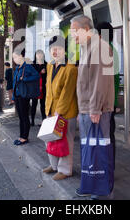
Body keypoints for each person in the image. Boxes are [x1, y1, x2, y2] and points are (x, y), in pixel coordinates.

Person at [71, 15, 115, 199]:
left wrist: (95, 109)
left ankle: (100, 191)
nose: (72, 35)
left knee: (98, 150)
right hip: (87, 108)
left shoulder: (100, 47)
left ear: (87, 30)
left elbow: (100, 81)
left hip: (94, 110)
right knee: (90, 149)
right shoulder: (88, 47)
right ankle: (90, 186)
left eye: (75, 31)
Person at [42, 36, 78, 181]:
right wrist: (48, 109)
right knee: (50, 139)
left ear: (64, 50)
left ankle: (65, 170)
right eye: (52, 49)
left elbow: (67, 93)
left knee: (66, 141)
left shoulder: (71, 68)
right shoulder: (50, 65)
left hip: (66, 112)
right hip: (50, 110)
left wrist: (59, 112)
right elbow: (48, 88)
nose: (54, 52)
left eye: (58, 48)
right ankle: (54, 165)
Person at [95, 22, 119, 168]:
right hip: (110, 99)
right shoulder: (111, 50)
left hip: (106, 101)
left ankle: (107, 168)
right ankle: (108, 166)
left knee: (106, 136)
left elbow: (102, 80)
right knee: (108, 134)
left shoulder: (105, 51)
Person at [12, 48, 39, 145]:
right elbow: (15, 82)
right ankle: (21, 136)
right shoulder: (17, 68)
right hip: (18, 96)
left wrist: (25, 78)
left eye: (15, 57)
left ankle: (25, 137)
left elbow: (37, 76)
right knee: (21, 117)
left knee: (24, 117)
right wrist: (13, 96)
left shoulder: (27, 66)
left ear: (21, 56)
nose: (14, 59)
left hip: (24, 95)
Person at [30, 50, 47, 126]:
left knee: (43, 105)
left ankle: (43, 121)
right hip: (35, 87)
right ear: (35, 56)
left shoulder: (46, 64)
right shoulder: (33, 64)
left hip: (44, 87)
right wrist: (40, 72)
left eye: (41, 54)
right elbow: (31, 74)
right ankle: (32, 121)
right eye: (38, 54)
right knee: (34, 104)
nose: (39, 56)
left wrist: (45, 72)